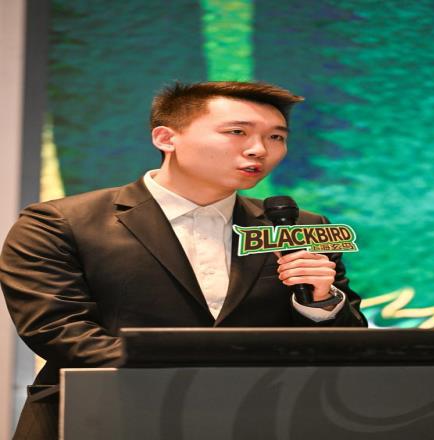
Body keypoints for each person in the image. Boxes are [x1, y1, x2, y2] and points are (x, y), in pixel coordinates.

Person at [0, 81, 367, 439]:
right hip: (101, 416)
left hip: (261, 421)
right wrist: (210, 378)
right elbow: (58, 331)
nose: (259, 149)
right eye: (237, 132)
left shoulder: (300, 227)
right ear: (166, 138)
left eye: (276, 137)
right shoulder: (60, 222)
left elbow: (348, 347)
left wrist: (320, 302)